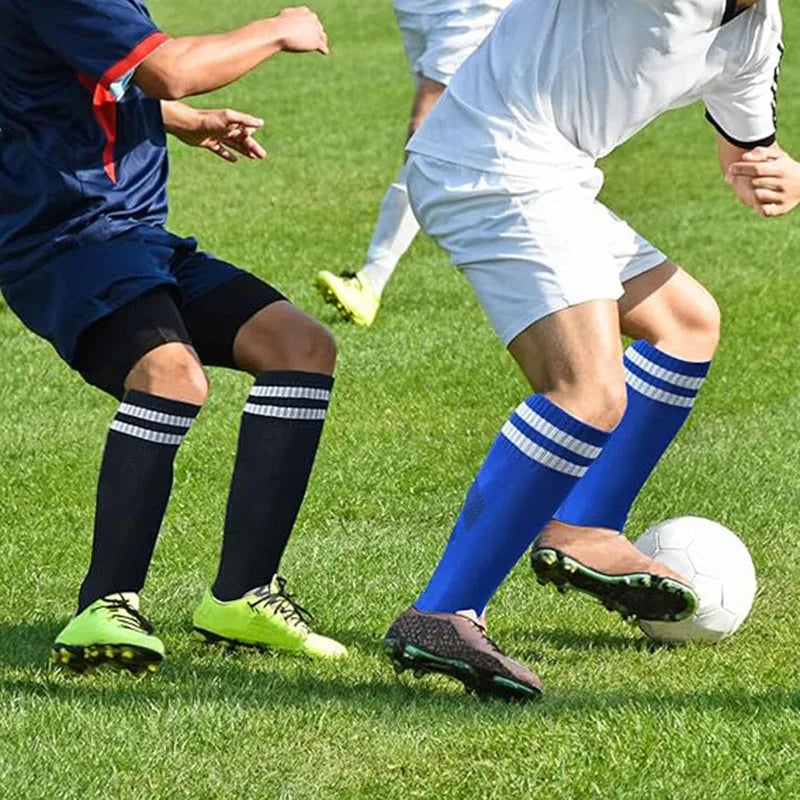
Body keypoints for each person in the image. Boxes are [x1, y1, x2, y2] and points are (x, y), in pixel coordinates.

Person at [384, 0, 795, 701]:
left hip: (554, 179)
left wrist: (773, 171)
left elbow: (748, 148)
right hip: (490, 164)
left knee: (688, 323)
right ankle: (442, 612)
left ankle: (582, 525)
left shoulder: (756, 30)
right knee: (588, 391)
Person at [0, 0, 347, 675]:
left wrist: (185, 123)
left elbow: (80, 80)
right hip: (67, 242)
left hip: (132, 236)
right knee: (170, 375)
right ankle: (104, 602)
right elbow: (169, 70)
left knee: (300, 347)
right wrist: (276, 30)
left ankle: (242, 595)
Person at [315, 0, 512, 326]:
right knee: (463, 136)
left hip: (470, 8)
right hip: (415, 8)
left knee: (426, 131)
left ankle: (371, 280)